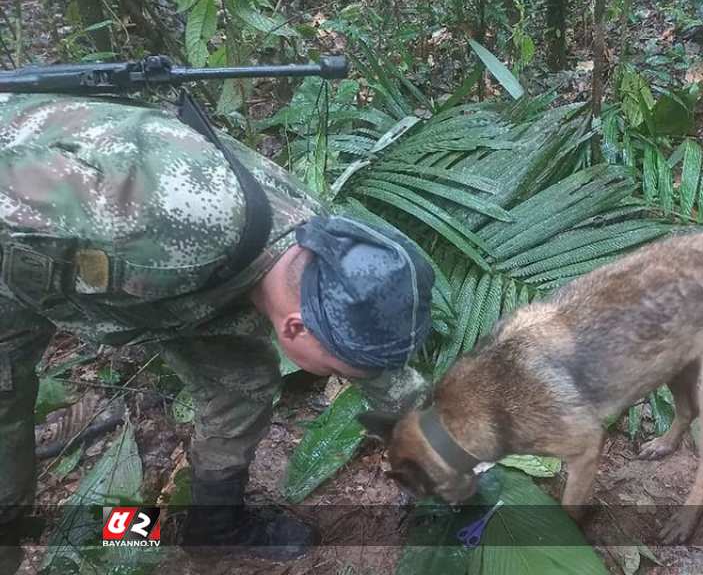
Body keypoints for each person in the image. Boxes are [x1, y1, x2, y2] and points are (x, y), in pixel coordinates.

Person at [0, 92, 434, 570]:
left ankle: (214, 528)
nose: (347, 376)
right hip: (20, 245)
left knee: (241, 384)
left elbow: (372, 363)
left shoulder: (320, 252)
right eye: (337, 370)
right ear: (295, 326)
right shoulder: (153, 225)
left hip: (166, 280)